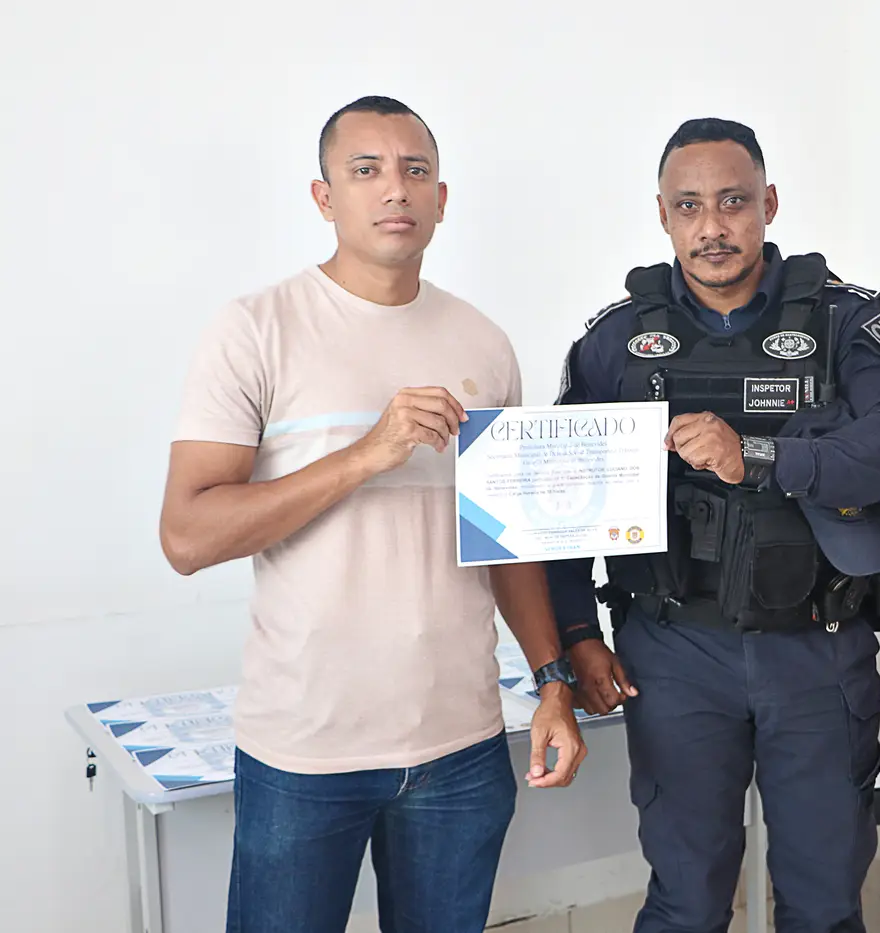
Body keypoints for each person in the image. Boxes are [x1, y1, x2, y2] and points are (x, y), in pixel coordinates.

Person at [158, 95, 585, 933]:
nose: (395, 188)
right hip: (305, 750)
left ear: (441, 198)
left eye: (415, 170)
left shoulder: (483, 342)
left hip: (460, 746)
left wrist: (552, 681)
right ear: (324, 197)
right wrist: (366, 453)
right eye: (366, 170)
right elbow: (187, 535)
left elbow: (505, 543)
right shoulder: (256, 329)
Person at [545, 118, 880, 933]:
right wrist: (579, 634)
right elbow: (560, 500)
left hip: (817, 647)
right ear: (663, 215)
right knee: (686, 901)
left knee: (824, 903)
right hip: (674, 651)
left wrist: (759, 455)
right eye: (689, 206)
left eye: (733, 202)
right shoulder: (616, 341)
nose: (712, 226)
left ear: (770, 204)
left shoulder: (843, 321)